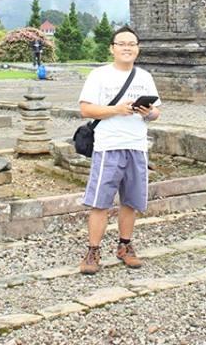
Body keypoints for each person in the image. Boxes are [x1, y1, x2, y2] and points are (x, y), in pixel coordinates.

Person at [77, 25, 161, 275]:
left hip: (136, 145)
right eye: (121, 43)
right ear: (112, 48)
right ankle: (93, 251)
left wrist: (149, 112)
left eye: (131, 44)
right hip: (108, 146)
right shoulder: (99, 76)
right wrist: (116, 110)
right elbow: (86, 109)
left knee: (131, 201)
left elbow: (157, 112)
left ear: (138, 49)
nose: (127, 47)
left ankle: (125, 246)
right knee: (100, 202)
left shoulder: (145, 76)